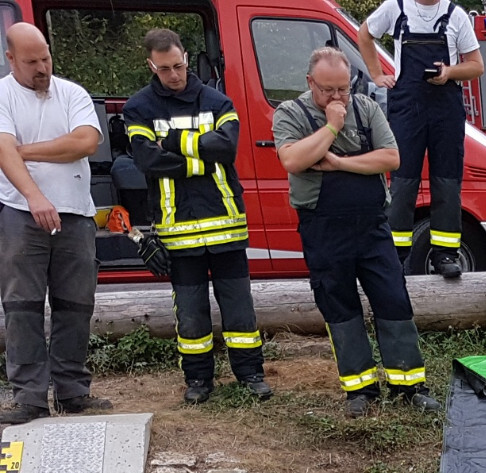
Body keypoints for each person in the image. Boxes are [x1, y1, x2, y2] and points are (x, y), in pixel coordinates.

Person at [274, 48, 437, 418]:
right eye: (328, 90)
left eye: (343, 89)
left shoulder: (366, 108)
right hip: (323, 227)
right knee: (340, 306)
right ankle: (360, 390)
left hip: (372, 225)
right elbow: (293, 160)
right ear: (310, 82)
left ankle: (410, 385)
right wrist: (332, 126)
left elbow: (391, 157)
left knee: (393, 298)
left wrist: (337, 162)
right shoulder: (291, 113)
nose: (337, 97)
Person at [124, 28, 270, 406]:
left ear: (186, 57)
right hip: (178, 230)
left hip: (226, 224)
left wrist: (173, 142)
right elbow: (148, 161)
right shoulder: (139, 108)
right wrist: (201, 157)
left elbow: (226, 149)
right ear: (151, 66)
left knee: (239, 308)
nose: (174, 75)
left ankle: (251, 374)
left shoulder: (217, 100)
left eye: (178, 65)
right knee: (190, 314)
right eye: (165, 69)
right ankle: (198, 379)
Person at [0, 23, 108, 424]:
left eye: (45, 58)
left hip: (76, 212)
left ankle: (73, 391)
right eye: (31, 62)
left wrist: (24, 150)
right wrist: (34, 196)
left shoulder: (72, 93)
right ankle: (29, 397)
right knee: (22, 305)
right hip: (19, 212)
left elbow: (85, 142)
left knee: (76, 304)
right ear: (11, 59)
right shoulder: (3, 95)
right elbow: (3, 152)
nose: (42, 67)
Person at [358, 0, 484, 278]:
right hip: (407, 108)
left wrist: (449, 72)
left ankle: (445, 254)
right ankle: (394, 255)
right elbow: (364, 34)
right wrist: (377, 74)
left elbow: (477, 66)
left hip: (445, 110)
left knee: (446, 182)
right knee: (403, 182)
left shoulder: (456, 15)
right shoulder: (395, 8)